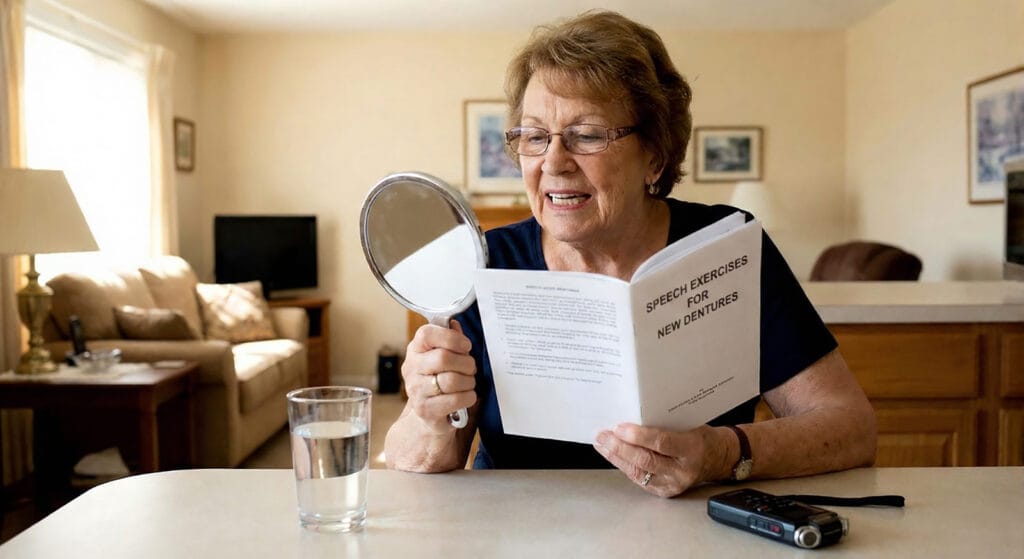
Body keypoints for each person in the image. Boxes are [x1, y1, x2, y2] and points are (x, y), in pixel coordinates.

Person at [384, 10, 876, 497]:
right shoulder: (487, 262)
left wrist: (721, 455)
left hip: (690, 533)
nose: (554, 162)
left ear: (655, 154)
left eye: (588, 135)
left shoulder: (728, 247)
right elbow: (423, 460)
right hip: (521, 537)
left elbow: (849, 428)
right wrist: (427, 412)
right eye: (535, 136)